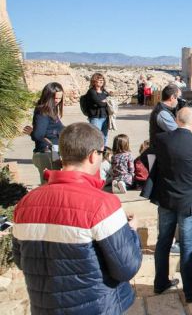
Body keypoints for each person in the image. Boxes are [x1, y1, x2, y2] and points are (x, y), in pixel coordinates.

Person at [12, 122, 142, 314]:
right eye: (101, 152)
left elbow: (21, 260)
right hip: (96, 307)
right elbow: (126, 267)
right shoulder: (102, 205)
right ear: (92, 156)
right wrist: (131, 231)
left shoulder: (25, 204)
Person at [152, 107, 192, 303]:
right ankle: (190, 290)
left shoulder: (161, 140)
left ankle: (160, 282)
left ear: (177, 120)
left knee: (163, 241)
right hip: (188, 202)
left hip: (166, 199)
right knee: (187, 246)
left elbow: (152, 161)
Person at [30, 82, 65, 183]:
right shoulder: (42, 111)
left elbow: (59, 128)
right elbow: (38, 135)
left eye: (60, 98)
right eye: (55, 98)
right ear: (48, 96)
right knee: (48, 185)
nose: (57, 101)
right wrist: (32, 133)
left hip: (52, 151)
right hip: (46, 152)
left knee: (53, 183)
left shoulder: (50, 110)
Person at [148, 84, 181, 150]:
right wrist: (191, 119)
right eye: (178, 98)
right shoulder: (162, 113)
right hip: (160, 153)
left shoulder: (165, 109)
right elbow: (179, 134)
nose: (178, 101)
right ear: (172, 97)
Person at [86, 72, 110, 147]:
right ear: (94, 81)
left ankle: (103, 152)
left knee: (104, 137)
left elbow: (109, 100)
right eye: (99, 80)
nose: (101, 81)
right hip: (95, 118)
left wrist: (104, 101)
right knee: (95, 137)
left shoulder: (104, 91)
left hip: (105, 117)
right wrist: (104, 101)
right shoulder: (91, 92)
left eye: (102, 80)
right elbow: (100, 103)